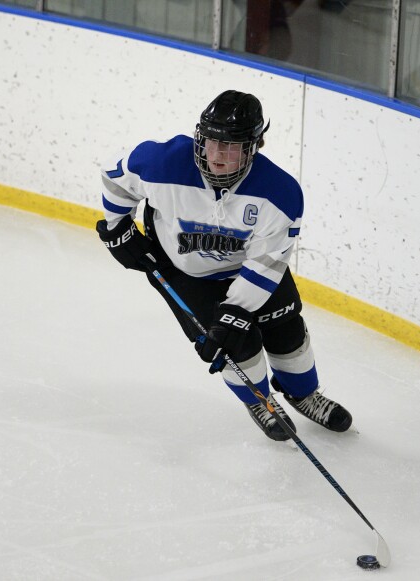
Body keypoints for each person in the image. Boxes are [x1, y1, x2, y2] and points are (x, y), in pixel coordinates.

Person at [96, 90, 352, 441]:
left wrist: (235, 312)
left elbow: (265, 262)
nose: (215, 155)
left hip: (246, 271)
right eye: (211, 141)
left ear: (254, 146)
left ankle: (305, 394)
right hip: (182, 271)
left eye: (230, 146)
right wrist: (117, 227)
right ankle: (261, 401)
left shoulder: (279, 193)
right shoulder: (162, 162)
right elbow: (115, 176)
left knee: (285, 329)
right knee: (235, 347)